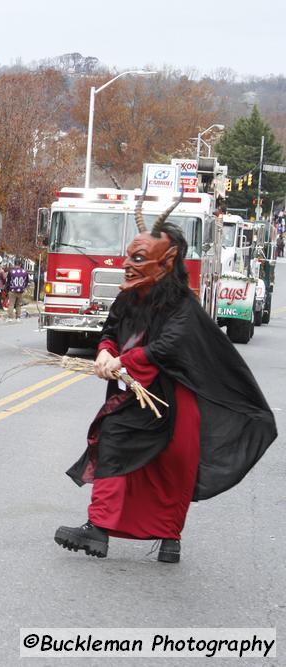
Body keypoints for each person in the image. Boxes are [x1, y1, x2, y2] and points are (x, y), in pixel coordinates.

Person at [54, 200, 276, 563]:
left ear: (167, 260)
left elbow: (168, 347)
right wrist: (105, 354)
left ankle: (168, 537)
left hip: (172, 398)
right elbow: (110, 332)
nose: (126, 265)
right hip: (133, 393)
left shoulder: (183, 306)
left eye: (138, 258)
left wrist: (124, 361)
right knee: (113, 442)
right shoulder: (128, 298)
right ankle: (98, 528)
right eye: (128, 256)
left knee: (171, 465)